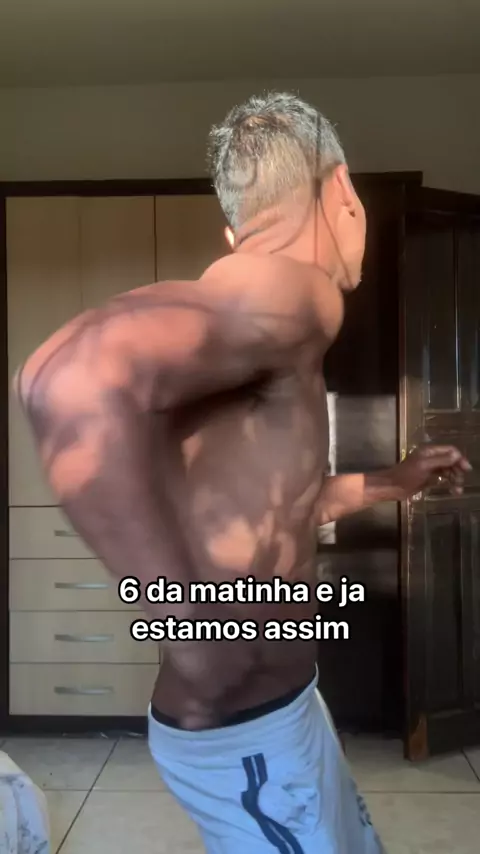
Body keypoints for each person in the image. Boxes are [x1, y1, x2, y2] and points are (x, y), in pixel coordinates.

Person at [16, 92, 471, 853]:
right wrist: (192, 624)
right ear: (342, 191)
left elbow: (285, 506)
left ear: (236, 231)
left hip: (280, 713)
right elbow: (63, 376)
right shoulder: (304, 291)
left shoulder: (261, 349)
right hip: (246, 737)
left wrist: (392, 482)